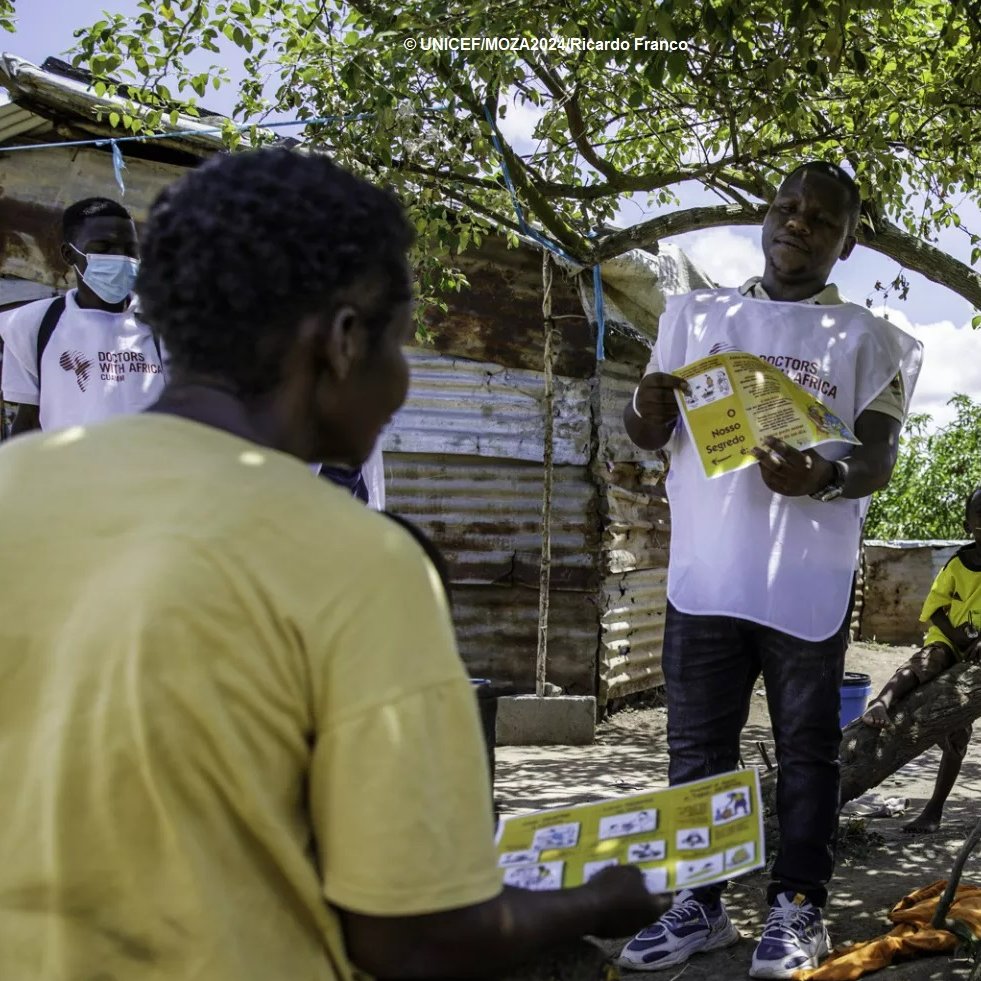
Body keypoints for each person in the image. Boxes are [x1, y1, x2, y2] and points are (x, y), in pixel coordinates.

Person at [0, 148, 666, 981]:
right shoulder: (358, 564)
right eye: (400, 345)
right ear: (344, 342)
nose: (397, 383)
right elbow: (409, 935)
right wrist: (601, 898)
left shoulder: (12, 487)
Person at [619, 161, 923, 979]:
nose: (797, 223)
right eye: (787, 208)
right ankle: (700, 904)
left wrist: (822, 477)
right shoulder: (695, 316)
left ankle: (796, 905)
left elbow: (879, 456)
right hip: (706, 574)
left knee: (807, 750)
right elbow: (648, 429)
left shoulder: (866, 338)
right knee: (697, 750)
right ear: (765, 214)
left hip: (804, 580)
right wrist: (643, 411)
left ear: (847, 239)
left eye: (820, 219)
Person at [862, 486, 981, 833]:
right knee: (925, 662)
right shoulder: (958, 563)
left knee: (958, 735)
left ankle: (934, 811)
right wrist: (955, 636)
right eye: (980, 519)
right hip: (950, 640)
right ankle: (881, 702)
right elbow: (936, 608)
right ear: (967, 524)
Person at [0, 197, 165, 433]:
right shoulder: (31, 325)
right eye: (103, 248)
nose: (120, 258)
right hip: (70, 469)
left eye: (130, 250)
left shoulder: (166, 326)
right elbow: (28, 421)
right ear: (68, 254)